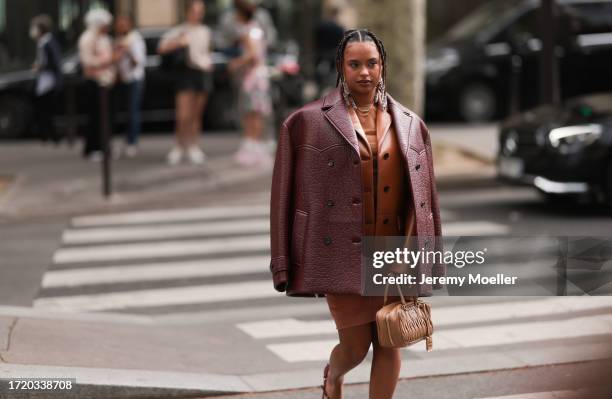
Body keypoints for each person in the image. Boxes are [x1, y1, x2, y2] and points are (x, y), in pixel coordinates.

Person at [268, 29, 445, 399]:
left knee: (390, 340)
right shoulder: (306, 122)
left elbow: (425, 198)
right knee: (354, 347)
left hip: (392, 252)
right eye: (355, 64)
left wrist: (426, 256)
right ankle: (333, 377)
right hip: (341, 253)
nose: (365, 72)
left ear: (383, 66)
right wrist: (282, 261)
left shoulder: (411, 124)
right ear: (340, 67)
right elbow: (283, 197)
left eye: (372, 63)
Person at [158, 0, 213, 165]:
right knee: (183, 114)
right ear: (188, 12)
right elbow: (161, 48)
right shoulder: (180, 30)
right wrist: (178, 43)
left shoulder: (205, 31)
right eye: (196, 10)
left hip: (202, 72)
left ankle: (193, 146)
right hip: (185, 74)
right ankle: (179, 146)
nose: (198, 14)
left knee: (196, 113)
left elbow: (206, 52)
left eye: (201, 10)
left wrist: (207, 62)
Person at [228, 1, 273, 167]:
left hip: (253, 79)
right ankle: (255, 147)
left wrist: (236, 62)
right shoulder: (255, 30)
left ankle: (252, 147)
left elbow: (253, 55)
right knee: (256, 113)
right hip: (258, 78)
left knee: (251, 113)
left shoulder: (248, 31)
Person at [78, 8, 116, 161]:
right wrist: (107, 61)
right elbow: (87, 62)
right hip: (94, 81)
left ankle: (104, 146)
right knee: (96, 117)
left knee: (105, 117)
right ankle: (93, 148)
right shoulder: (87, 38)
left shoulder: (103, 38)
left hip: (106, 81)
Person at [114, 14, 146, 158]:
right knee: (126, 112)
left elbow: (138, 62)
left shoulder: (135, 39)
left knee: (133, 112)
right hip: (124, 80)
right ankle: (127, 140)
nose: (120, 26)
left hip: (134, 80)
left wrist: (127, 50)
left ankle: (132, 142)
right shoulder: (119, 39)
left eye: (123, 23)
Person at [30, 15, 63, 144]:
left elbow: (54, 63)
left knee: (47, 109)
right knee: (44, 109)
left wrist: (40, 67)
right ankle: (47, 135)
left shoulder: (47, 42)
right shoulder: (43, 42)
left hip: (49, 81)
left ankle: (51, 135)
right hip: (45, 81)